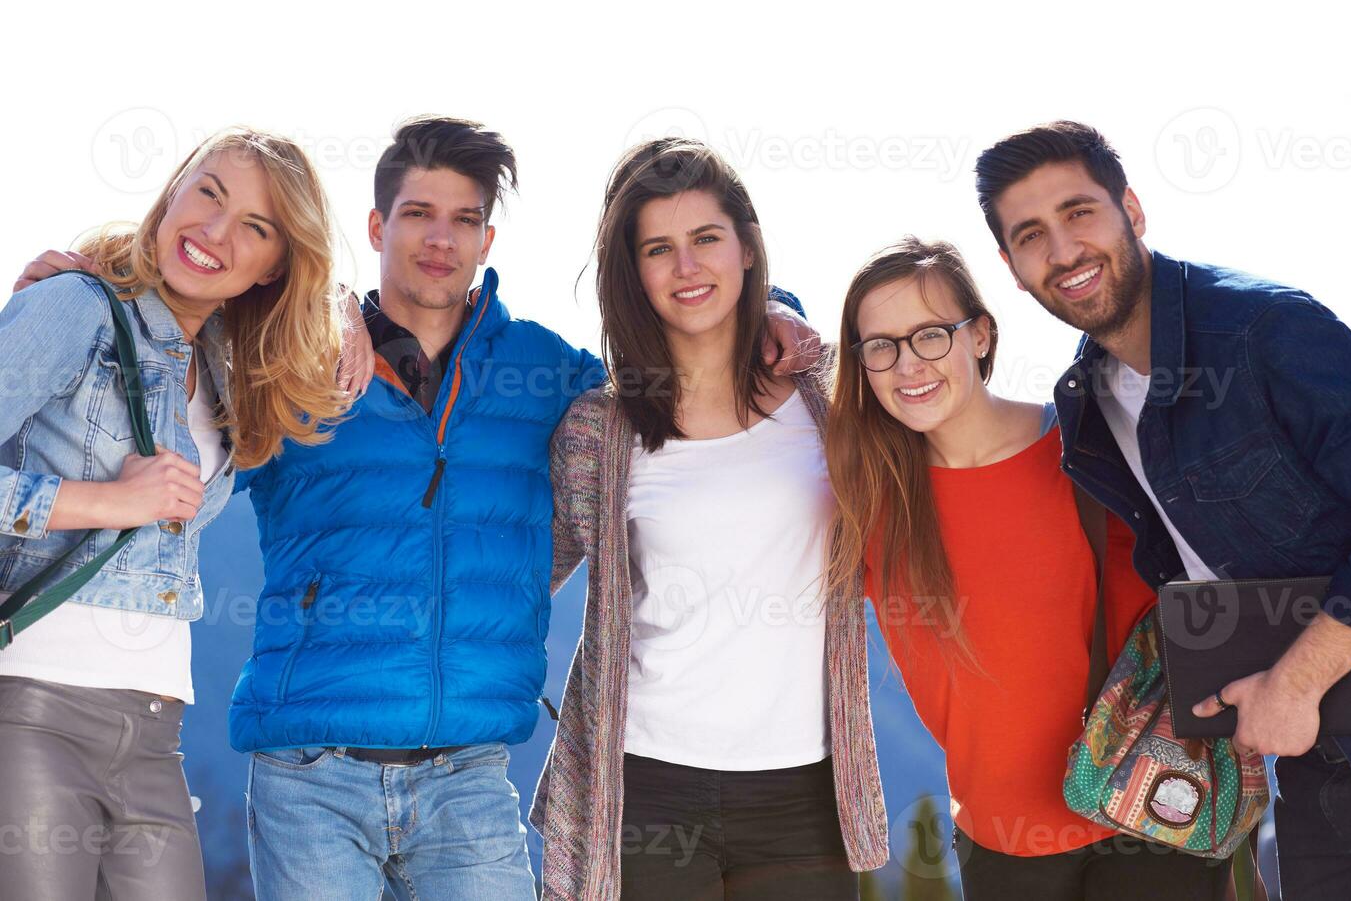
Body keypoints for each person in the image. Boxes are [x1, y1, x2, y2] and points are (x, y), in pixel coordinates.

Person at [16, 115, 820, 900]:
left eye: (464, 220)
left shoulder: (548, 374)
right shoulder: (294, 368)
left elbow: (681, 337)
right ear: (376, 225)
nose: (441, 240)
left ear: (486, 242)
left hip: (469, 777)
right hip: (307, 777)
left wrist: (777, 307)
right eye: (418, 215)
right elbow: (188, 319)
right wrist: (86, 282)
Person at [973, 120, 1351, 899]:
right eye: (1030, 234)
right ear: (1009, 266)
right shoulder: (1086, 400)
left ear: (1130, 209)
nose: (1062, 251)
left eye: (1078, 213)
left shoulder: (1263, 329)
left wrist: (1297, 684)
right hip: (1302, 761)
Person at [532, 137, 888, 901]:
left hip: (806, 791)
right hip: (647, 785)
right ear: (633, 273)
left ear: (747, 248)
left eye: (705, 239)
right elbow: (521, 573)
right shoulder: (600, 428)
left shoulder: (830, 398)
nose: (686, 267)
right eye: (658, 249)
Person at [823, 236, 1231, 900]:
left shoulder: (1091, 446)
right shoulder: (868, 499)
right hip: (1000, 846)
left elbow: (1236, 469)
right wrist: (781, 316)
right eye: (880, 346)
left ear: (980, 336)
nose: (907, 364)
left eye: (929, 335)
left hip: (1149, 814)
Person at [0, 128, 347, 901]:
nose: (214, 233)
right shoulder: (73, 307)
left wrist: (346, 312)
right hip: (33, 706)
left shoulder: (227, 369)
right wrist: (110, 501)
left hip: (155, 727)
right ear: (174, 189)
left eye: (255, 228)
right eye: (208, 193)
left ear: (276, 265)